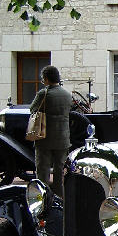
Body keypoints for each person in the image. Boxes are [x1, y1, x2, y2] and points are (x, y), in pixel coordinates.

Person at [30, 65, 71, 197]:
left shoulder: (44, 93)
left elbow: (33, 109)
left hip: (44, 137)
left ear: (46, 79)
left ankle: (44, 198)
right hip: (63, 137)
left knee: (43, 171)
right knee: (60, 171)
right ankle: (60, 198)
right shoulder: (67, 94)